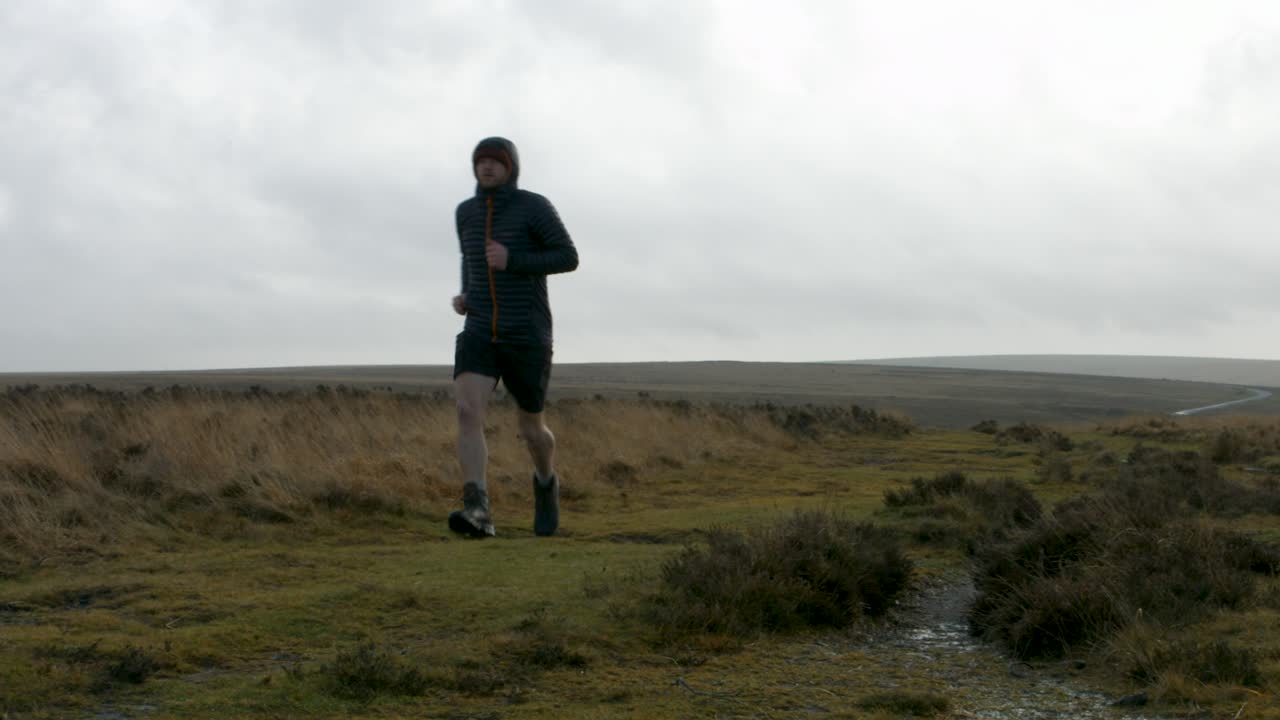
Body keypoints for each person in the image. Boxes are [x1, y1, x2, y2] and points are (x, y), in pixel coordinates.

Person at [448, 137, 579, 538]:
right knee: (467, 411)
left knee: (530, 429)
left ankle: (545, 481)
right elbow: (469, 259)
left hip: (527, 333)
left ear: (511, 167)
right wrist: (468, 293)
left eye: (495, 161)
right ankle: (478, 511)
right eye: (480, 161)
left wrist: (513, 261)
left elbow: (567, 256)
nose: (486, 167)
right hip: (480, 330)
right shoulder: (466, 212)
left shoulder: (533, 207)